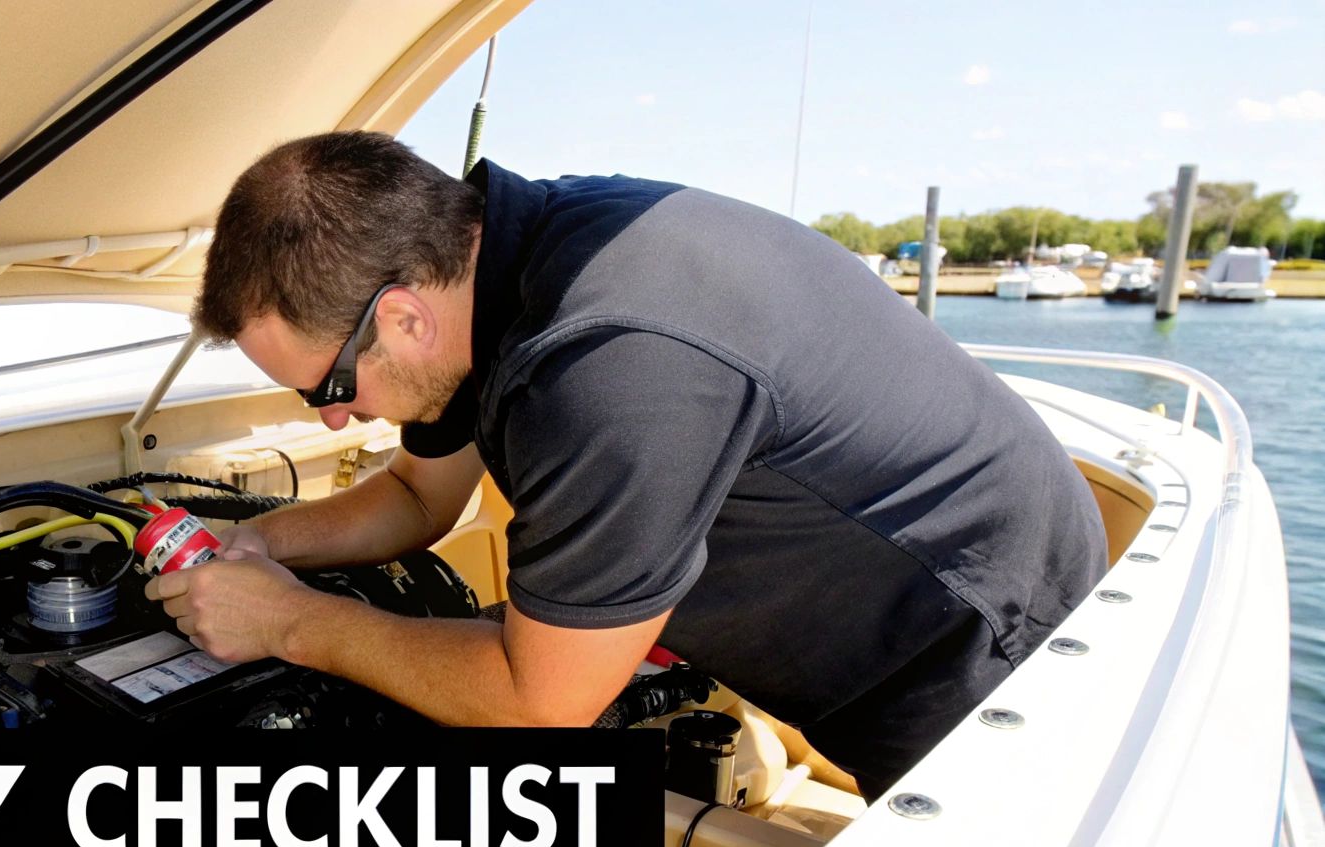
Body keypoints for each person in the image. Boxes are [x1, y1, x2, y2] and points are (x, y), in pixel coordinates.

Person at [144, 131, 1106, 798]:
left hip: (978, 644)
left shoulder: (607, 365)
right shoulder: (496, 262)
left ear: (401, 315)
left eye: (330, 386)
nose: (338, 414)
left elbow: (539, 705)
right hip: (933, 582)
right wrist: (245, 546)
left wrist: (290, 625)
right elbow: (414, 495)